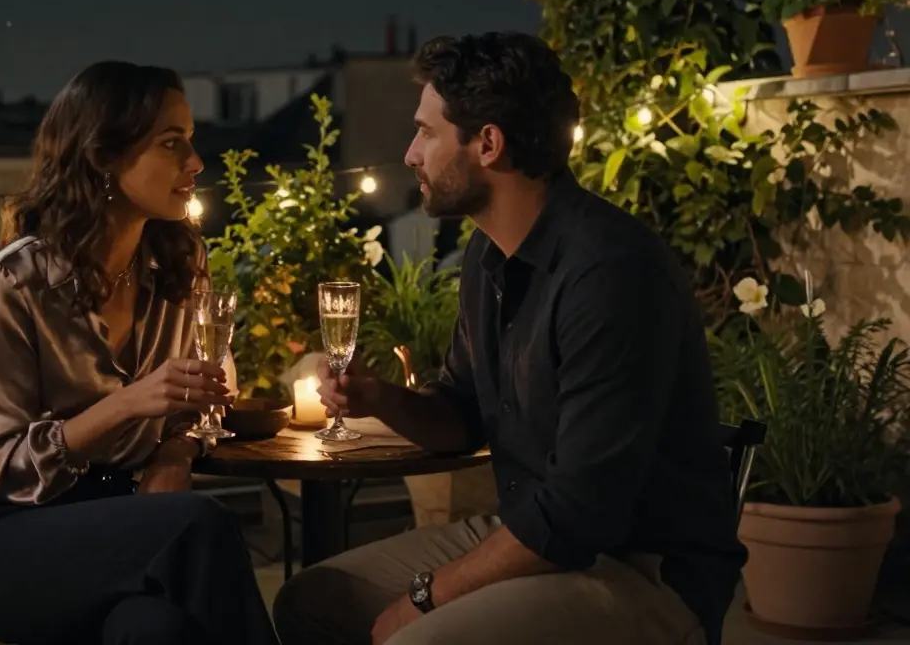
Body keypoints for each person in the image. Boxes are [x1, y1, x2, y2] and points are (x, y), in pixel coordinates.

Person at [272, 33, 748, 645]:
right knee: (311, 602)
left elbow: (580, 513)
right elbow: (463, 416)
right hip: (536, 530)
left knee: (416, 638)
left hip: (642, 568)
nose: (411, 153)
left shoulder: (610, 272)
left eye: (426, 132)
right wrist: (380, 398)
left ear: (488, 144)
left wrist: (425, 597)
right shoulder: (488, 255)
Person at [0, 61, 279, 645]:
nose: (195, 162)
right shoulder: (14, 282)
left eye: (191, 141)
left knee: (157, 629)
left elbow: (202, 389)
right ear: (101, 158)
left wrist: (174, 454)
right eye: (172, 144)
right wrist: (127, 405)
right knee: (200, 524)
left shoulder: (180, 263)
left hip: (127, 520)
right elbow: (10, 464)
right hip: (7, 535)